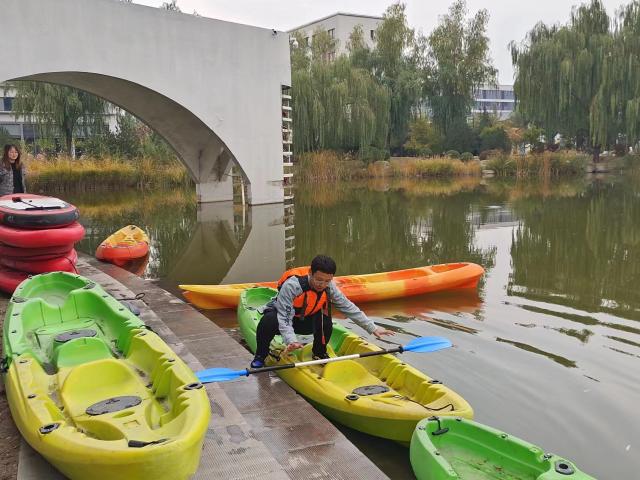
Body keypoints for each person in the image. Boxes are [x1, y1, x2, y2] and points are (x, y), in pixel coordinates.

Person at [251, 254, 395, 368]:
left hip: (305, 321)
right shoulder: (292, 286)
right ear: (310, 273)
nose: (323, 285)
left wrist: (372, 327)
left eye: (327, 280)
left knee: (326, 319)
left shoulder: (329, 286)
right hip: (284, 319)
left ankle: (319, 353)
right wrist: (291, 340)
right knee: (268, 321)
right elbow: (284, 317)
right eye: (319, 280)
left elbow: (348, 307)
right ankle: (260, 355)